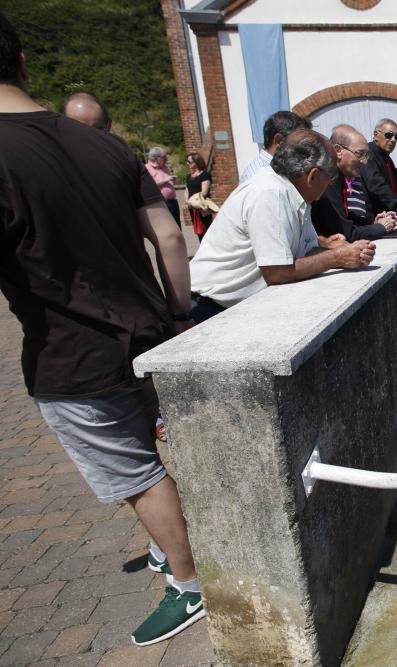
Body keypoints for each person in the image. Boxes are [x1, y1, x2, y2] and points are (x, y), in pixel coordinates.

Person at [0, 12, 204, 646]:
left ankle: (189, 583)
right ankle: (167, 546)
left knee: (136, 473)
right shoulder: (107, 144)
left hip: (72, 354)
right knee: (160, 446)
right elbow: (169, 234)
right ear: (24, 62)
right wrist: (177, 314)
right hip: (151, 329)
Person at [188, 129, 375, 322]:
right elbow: (277, 271)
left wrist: (330, 248)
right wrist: (337, 257)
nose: (330, 184)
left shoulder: (297, 193)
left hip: (227, 306)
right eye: (330, 177)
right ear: (312, 175)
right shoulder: (270, 193)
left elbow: (304, 252)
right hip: (208, 308)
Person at [312, 124, 397, 241]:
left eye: (366, 155)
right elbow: (345, 233)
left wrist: (372, 221)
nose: (365, 161)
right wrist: (380, 227)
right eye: (359, 154)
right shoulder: (328, 180)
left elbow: (345, 218)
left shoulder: (339, 175)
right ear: (338, 151)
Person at [239, 110, 311, 184]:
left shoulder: (282, 167)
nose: (304, 147)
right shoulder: (257, 175)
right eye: (299, 140)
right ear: (279, 141)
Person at [146, 146, 181, 227]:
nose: (166, 159)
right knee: (166, 227)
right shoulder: (147, 168)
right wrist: (166, 180)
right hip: (160, 204)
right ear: (156, 158)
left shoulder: (165, 167)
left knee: (177, 226)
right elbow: (150, 187)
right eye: (164, 157)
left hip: (172, 202)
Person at [185, 153, 212, 240]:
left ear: (196, 163)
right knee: (198, 230)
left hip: (202, 206)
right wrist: (187, 201)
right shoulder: (189, 176)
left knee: (207, 229)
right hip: (192, 208)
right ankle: (203, 250)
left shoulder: (204, 175)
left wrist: (193, 200)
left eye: (189, 162)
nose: (187, 164)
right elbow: (186, 190)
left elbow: (204, 192)